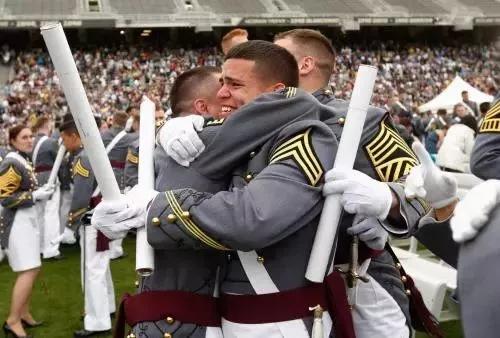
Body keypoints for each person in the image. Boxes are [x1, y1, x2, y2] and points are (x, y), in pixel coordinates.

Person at [273, 28, 434, 337]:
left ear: (305, 65)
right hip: (271, 283)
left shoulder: (360, 120)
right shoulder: (251, 116)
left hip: (354, 277)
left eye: (275, 54)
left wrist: (387, 200)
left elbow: (422, 194)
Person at [59, 114, 115, 338]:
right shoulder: (94, 151)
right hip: (101, 215)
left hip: (91, 217)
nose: (63, 142)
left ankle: (96, 321)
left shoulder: (83, 157)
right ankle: (107, 307)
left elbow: (81, 197)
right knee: (101, 266)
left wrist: (69, 226)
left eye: (65, 138)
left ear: (74, 136)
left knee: (91, 270)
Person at [1, 125, 54, 338]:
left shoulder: (22, 158)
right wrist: (36, 196)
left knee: (32, 268)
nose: (30, 139)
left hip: (26, 221)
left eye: (31, 136)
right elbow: (4, 198)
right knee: (28, 270)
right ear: (13, 140)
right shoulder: (12, 162)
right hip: (16, 224)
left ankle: (23, 312)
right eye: (24, 137)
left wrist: (41, 192)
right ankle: (13, 320)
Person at [100, 111, 138, 260]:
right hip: (118, 174)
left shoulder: (103, 135)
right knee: (118, 209)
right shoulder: (129, 137)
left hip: (103, 174)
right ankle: (115, 249)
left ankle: (104, 243)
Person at [31, 116, 63, 260]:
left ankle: (38, 248)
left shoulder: (30, 141)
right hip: (50, 178)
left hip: (34, 179)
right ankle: (51, 250)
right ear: (46, 125)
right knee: (51, 214)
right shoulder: (51, 142)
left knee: (38, 215)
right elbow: (60, 163)